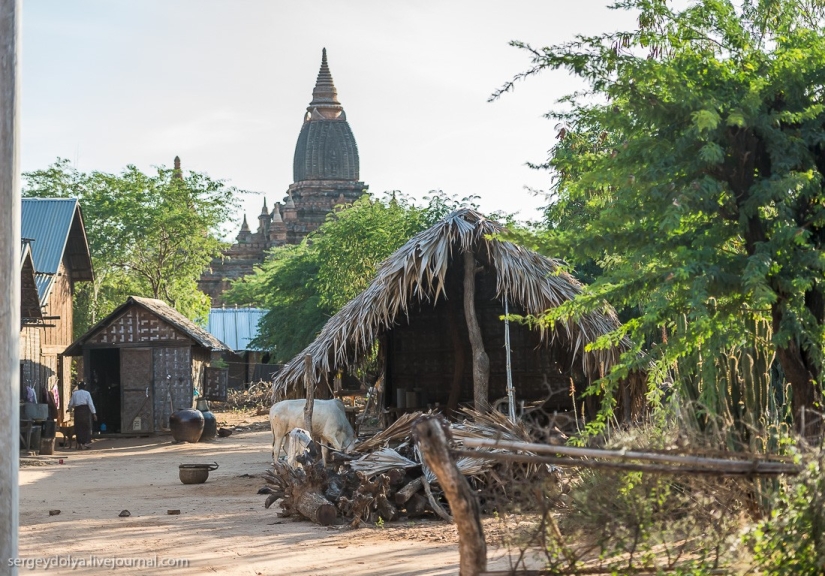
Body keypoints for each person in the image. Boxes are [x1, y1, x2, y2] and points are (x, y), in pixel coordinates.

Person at [68, 381, 97, 449]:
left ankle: (80, 443)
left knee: (78, 427)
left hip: (78, 412)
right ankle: (85, 443)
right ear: (84, 387)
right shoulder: (87, 393)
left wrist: (69, 409)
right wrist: (94, 413)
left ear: (78, 387)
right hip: (85, 412)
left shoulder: (75, 394)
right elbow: (90, 404)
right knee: (86, 427)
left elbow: (71, 403)